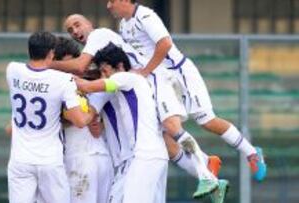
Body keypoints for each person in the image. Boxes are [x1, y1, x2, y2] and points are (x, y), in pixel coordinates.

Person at [50, 14, 224, 199]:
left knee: (172, 127)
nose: (75, 31)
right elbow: (89, 93)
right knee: (165, 138)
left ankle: (206, 172)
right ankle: (207, 167)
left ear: (89, 24)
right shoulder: (110, 82)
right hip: (137, 158)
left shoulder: (120, 71)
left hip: (143, 152)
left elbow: (82, 74)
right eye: (70, 30)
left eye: (77, 25)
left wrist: (45, 69)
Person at [106, 0, 266, 183]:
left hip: (179, 74)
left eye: (112, 1)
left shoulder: (145, 16)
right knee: (165, 132)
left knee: (207, 121)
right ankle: (206, 167)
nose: (109, 6)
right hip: (160, 81)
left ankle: (252, 153)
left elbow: (165, 43)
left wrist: (145, 71)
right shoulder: (123, 26)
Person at [6, 31, 93, 203]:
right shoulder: (63, 80)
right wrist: (93, 111)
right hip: (49, 160)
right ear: (51, 53)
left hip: (20, 159)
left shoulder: (12, 70)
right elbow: (80, 121)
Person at [75, 43, 169, 203]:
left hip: (145, 156)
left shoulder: (125, 77)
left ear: (119, 66)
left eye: (105, 71)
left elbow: (88, 86)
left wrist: (58, 78)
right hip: (144, 157)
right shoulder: (127, 87)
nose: (103, 75)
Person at [54, 36, 114, 203]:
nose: (71, 72)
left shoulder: (91, 84)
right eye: (65, 67)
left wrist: (98, 123)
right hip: (81, 156)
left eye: (73, 65)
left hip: (94, 158)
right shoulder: (56, 88)